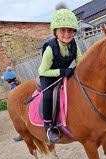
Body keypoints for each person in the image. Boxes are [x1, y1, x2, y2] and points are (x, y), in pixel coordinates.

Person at [38, 8, 82, 144]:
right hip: (49, 76)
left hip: (65, 74)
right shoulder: (50, 48)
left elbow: (80, 60)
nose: (67, 34)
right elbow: (42, 71)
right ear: (55, 31)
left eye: (70, 30)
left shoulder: (74, 44)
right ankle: (49, 127)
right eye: (63, 30)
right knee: (48, 95)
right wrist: (62, 72)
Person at [2, 66, 23, 142]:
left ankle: (22, 134)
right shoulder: (16, 83)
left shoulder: (14, 87)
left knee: (17, 119)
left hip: (20, 105)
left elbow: (16, 98)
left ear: (8, 80)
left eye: (6, 80)